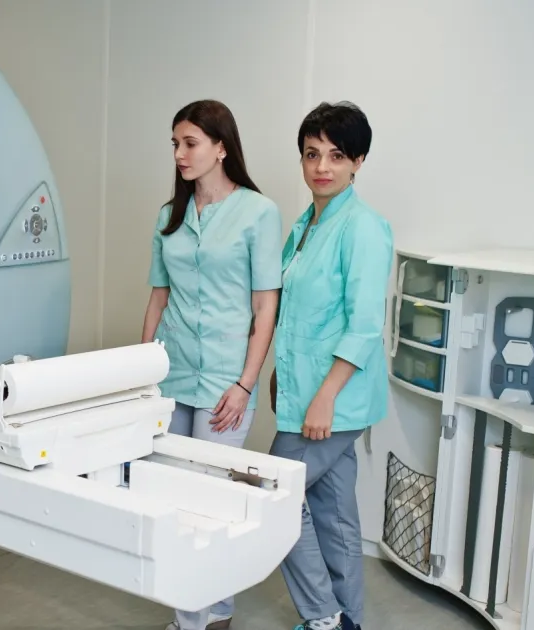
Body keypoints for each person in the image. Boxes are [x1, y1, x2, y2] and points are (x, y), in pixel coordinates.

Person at [142, 99, 282, 630]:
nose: (179, 154)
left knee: (212, 503)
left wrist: (246, 384)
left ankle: (207, 615)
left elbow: (265, 305)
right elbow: (157, 298)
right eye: (175, 144)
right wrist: (143, 373)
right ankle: (194, 614)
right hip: (172, 373)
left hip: (226, 380)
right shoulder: (168, 217)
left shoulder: (258, 212)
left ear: (221, 147)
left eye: (190, 143)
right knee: (172, 498)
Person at [269, 101, 393, 630]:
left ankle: (322, 616)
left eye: (337, 155)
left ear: (358, 161)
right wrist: (282, 373)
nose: (322, 166)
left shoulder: (363, 228)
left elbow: (364, 325)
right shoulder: (305, 226)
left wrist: (324, 396)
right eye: (312, 154)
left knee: (272, 495)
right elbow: (296, 313)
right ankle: (347, 623)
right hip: (305, 390)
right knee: (334, 513)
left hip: (335, 398)